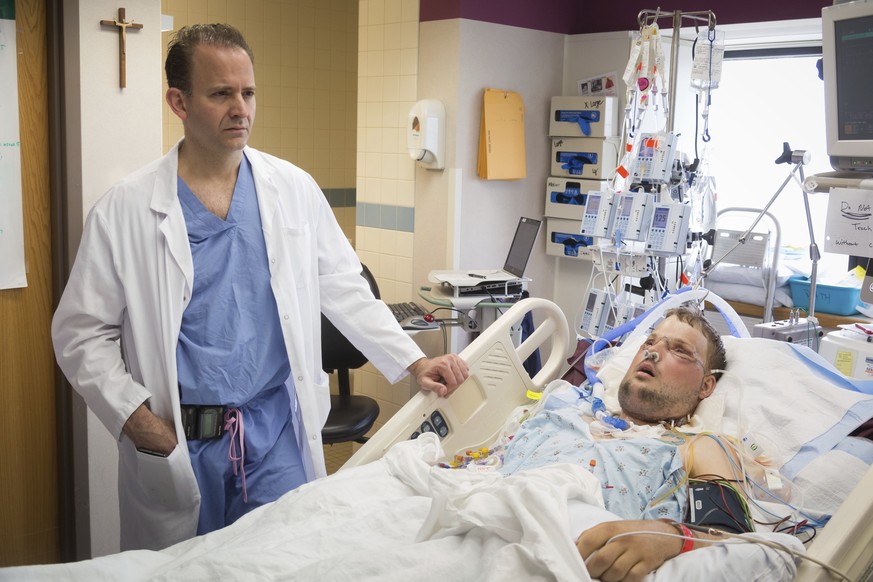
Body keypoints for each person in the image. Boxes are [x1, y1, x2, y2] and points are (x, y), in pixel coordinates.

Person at [52, 23, 468, 552]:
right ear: (178, 101)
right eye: (221, 93)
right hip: (183, 441)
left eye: (248, 93)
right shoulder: (126, 209)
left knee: (284, 558)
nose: (240, 108)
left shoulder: (291, 188)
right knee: (188, 568)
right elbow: (80, 334)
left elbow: (344, 287)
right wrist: (137, 421)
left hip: (276, 433)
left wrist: (413, 362)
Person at [498, 306, 743, 582]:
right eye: (649, 342)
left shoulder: (697, 448)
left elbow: (732, 539)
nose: (652, 352)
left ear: (706, 386)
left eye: (680, 350)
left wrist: (670, 537)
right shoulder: (563, 410)